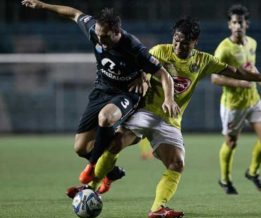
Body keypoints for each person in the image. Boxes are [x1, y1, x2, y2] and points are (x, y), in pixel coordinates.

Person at [67, 17, 261, 218]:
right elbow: (141, 67)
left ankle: (157, 208)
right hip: (145, 112)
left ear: (195, 42)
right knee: (114, 144)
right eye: (176, 40)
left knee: (177, 163)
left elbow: (237, 72)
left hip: (170, 121)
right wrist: (141, 79)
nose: (178, 46)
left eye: (184, 43)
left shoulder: (203, 61)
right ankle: (90, 188)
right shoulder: (160, 52)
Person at [21, 0, 180, 184]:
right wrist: (42, 6)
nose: (100, 40)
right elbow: (73, 13)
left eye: (104, 37)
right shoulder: (94, 30)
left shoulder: (133, 47)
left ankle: (93, 167)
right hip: (101, 90)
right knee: (81, 148)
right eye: (98, 35)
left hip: (126, 93)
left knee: (105, 118)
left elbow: (163, 73)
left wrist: (168, 98)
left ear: (117, 32)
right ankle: (111, 171)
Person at [211, 4, 261, 194]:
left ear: (246, 23)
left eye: (240, 22)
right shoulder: (224, 49)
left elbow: (251, 68)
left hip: (253, 99)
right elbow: (214, 77)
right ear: (229, 25)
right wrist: (239, 83)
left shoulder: (252, 43)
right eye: (234, 22)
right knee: (231, 143)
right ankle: (225, 180)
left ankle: (253, 172)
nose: (238, 26)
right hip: (233, 104)